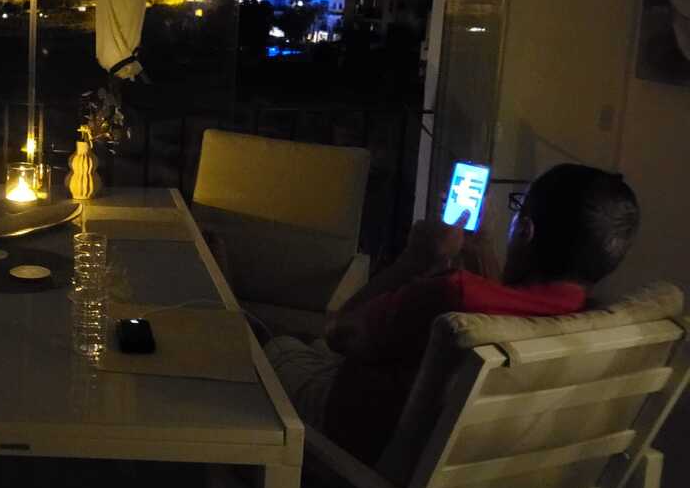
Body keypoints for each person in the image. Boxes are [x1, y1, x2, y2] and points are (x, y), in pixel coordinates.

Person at [261, 163, 640, 466]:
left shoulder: (452, 295)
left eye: (517, 210)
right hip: (463, 474)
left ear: (525, 230)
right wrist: (482, 248)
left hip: (349, 442)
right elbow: (511, 305)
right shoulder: (586, 321)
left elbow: (339, 331)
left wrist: (413, 260)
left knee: (265, 343)